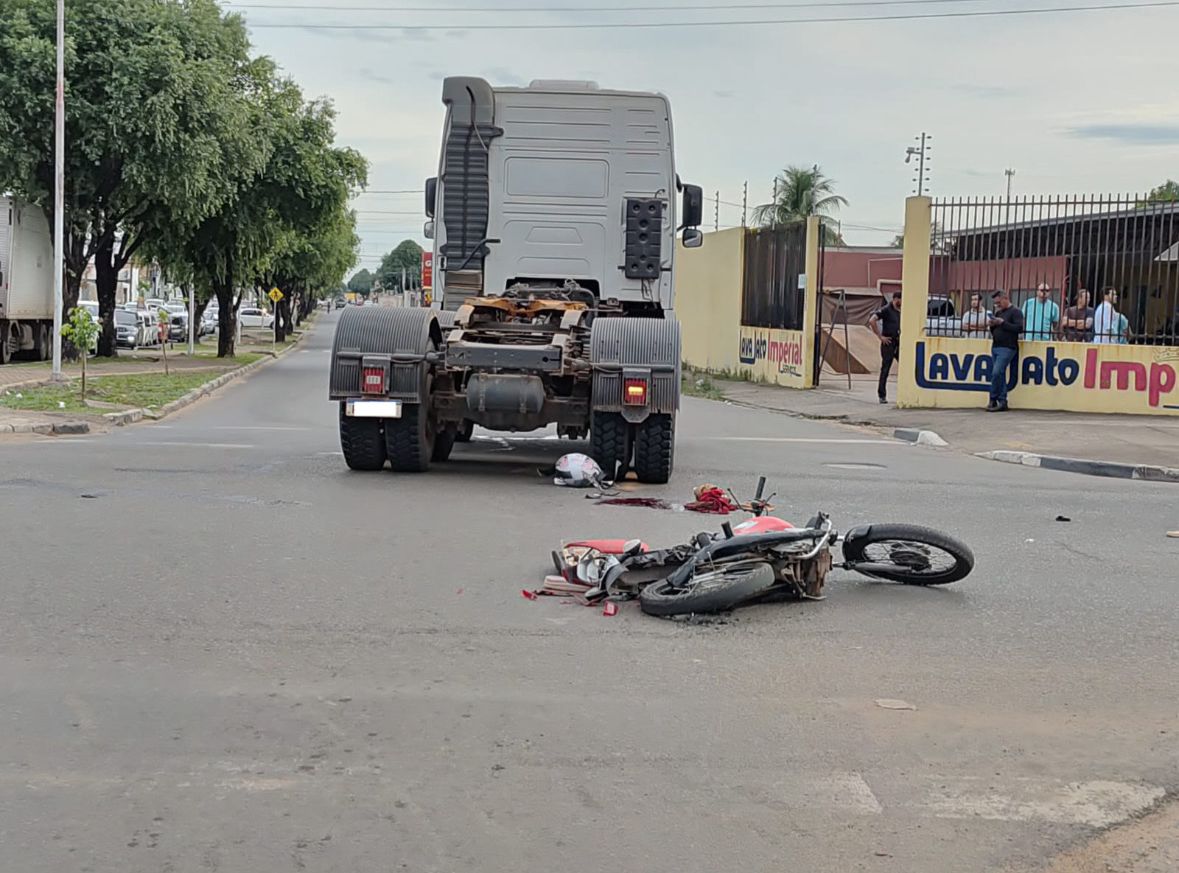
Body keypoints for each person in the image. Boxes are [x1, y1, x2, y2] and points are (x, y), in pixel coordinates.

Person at [987, 290, 1024, 412]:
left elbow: (1019, 328)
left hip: (1008, 347)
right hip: (996, 346)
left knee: (996, 372)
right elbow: (995, 331)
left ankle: (994, 398)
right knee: (1000, 373)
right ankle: (1001, 401)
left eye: (998, 302)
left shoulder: (1016, 312)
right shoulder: (998, 312)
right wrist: (993, 325)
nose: (997, 305)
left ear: (1005, 299)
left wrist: (1003, 323)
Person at [869, 291, 902, 404]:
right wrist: (880, 337)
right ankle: (882, 395)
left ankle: (904, 393)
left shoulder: (902, 310)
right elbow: (872, 320)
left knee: (905, 368)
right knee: (885, 369)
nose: (901, 302)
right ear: (895, 299)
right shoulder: (886, 309)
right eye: (899, 300)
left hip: (899, 342)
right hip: (888, 342)